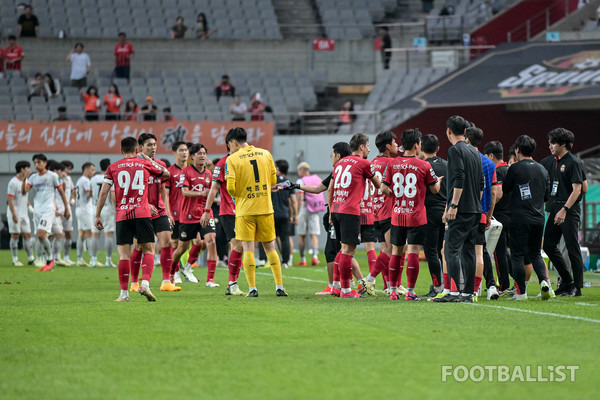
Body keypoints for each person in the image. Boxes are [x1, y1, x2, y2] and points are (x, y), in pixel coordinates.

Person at [95, 136, 170, 302]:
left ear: (121, 151)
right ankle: (144, 283)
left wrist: (97, 215)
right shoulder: (144, 164)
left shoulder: (113, 167)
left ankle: (123, 294)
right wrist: (149, 159)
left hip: (122, 214)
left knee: (124, 255)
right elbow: (166, 173)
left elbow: (104, 192)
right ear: (138, 150)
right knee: (149, 249)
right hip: (142, 213)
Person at [224, 127, 287, 297]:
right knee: (270, 248)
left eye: (230, 145)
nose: (230, 149)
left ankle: (252, 289)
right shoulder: (265, 154)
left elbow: (230, 187)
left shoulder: (232, 159)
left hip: (245, 210)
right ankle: (279, 287)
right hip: (265, 207)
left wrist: (241, 194)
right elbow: (273, 180)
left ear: (234, 142)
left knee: (248, 249)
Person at [380, 129, 440, 300]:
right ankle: (411, 293)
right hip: (416, 215)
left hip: (398, 214)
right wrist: (440, 182)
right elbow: (435, 189)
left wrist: (397, 196)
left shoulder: (392, 164)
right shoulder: (424, 165)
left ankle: (392, 290)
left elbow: (383, 188)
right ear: (416, 145)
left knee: (396, 252)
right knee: (413, 251)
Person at [434, 116, 484, 303]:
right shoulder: (475, 152)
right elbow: (481, 183)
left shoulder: (455, 150)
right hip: (474, 209)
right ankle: (468, 293)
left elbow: (459, 177)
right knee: (469, 251)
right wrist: (474, 204)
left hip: (460, 209)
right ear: (465, 131)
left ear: (448, 131)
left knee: (451, 250)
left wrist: (454, 205)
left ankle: (454, 292)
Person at [330, 133, 386, 298]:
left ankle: (337, 286)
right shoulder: (364, 163)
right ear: (361, 147)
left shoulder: (340, 162)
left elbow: (331, 187)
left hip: (336, 209)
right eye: (368, 146)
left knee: (343, 248)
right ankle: (346, 290)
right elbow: (377, 184)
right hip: (350, 210)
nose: (369, 149)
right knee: (349, 250)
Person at [503, 135, 552, 301]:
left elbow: (506, 188)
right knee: (536, 253)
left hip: (519, 218)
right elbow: (546, 196)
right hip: (539, 218)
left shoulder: (515, 168)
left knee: (517, 255)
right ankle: (545, 282)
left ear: (517, 150)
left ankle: (521, 292)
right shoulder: (542, 169)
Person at [129, 134, 178, 292]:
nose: (153, 147)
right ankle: (135, 283)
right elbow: (130, 190)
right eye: (149, 145)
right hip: (141, 210)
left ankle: (166, 281)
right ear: (140, 147)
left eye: (155, 144)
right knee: (139, 247)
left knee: (167, 242)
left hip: (160, 210)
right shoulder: (135, 165)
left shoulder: (160, 164)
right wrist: (144, 204)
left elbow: (164, 191)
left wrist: (168, 212)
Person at [542, 128, 585, 297]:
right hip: (555, 209)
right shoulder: (555, 162)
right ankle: (567, 280)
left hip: (568, 210)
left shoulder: (573, 162)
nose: (550, 146)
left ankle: (578, 287)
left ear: (563, 144)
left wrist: (565, 209)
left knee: (572, 247)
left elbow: (577, 189)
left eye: (553, 143)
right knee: (548, 245)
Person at [171, 144, 220, 287]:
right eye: (199, 153)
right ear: (192, 157)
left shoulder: (209, 174)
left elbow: (213, 192)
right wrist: (201, 193)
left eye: (204, 153)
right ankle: (173, 272)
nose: (203, 156)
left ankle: (210, 279)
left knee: (211, 241)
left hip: (205, 214)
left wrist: (208, 207)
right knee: (182, 248)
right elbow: (184, 192)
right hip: (188, 215)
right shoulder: (185, 172)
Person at [201, 145, 246, 296]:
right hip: (228, 211)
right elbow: (214, 188)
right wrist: (207, 211)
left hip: (246, 210)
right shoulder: (222, 164)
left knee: (243, 246)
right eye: (240, 144)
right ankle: (232, 284)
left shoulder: (244, 161)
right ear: (232, 144)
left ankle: (235, 284)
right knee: (237, 245)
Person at [465, 126, 499, 301]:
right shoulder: (489, 163)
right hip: (481, 213)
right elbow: (493, 193)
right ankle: (480, 288)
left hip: (465, 212)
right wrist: (489, 215)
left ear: (468, 140)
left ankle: (463, 288)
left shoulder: (464, 159)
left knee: (463, 251)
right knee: (480, 251)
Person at [21, 153, 70, 272]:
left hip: (48, 210)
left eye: (39, 162)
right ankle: (47, 258)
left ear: (45, 163)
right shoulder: (33, 178)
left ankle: (50, 259)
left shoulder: (52, 176)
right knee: (54, 234)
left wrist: (67, 208)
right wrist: (24, 178)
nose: (36, 165)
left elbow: (62, 192)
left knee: (41, 234)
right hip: (38, 211)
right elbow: (24, 192)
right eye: (35, 163)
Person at [419, 134, 447, 298]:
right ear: (437, 148)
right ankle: (447, 285)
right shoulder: (447, 165)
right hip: (446, 212)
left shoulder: (422, 166)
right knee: (444, 251)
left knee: (431, 251)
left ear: (421, 148)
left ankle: (437, 286)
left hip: (428, 212)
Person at [483, 140, 512, 294]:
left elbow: (498, 194)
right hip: (512, 214)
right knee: (510, 252)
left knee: (498, 252)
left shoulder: (498, 170)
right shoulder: (510, 169)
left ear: (491, 156)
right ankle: (517, 282)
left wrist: (488, 206)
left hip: (500, 215)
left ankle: (504, 284)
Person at [165, 142, 189, 285]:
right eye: (181, 150)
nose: (184, 153)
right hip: (175, 213)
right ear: (174, 152)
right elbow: (166, 195)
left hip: (190, 214)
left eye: (186, 150)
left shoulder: (192, 170)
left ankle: (186, 268)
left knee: (198, 241)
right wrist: (168, 213)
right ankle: (173, 273)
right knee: (174, 243)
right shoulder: (170, 172)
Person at [295, 162, 325, 266]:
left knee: (302, 235)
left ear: (302, 170)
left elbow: (299, 198)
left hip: (304, 208)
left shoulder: (301, 180)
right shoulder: (317, 178)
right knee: (314, 235)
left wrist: (296, 214)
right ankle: (315, 257)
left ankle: (303, 259)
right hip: (315, 209)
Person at [7, 161, 35, 266]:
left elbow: (24, 198)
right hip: (15, 213)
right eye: (27, 168)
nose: (29, 170)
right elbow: (10, 199)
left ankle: (31, 258)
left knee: (27, 234)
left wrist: (31, 209)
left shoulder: (26, 181)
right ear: (22, 169)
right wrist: (14, 214)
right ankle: (15, 259)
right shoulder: (13, 182)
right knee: (15, 235)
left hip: (24, 214)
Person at [90, 159, 117, 268]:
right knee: (108, 235)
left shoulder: (93, 179)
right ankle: (108, 260)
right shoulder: (110, 178)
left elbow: (91, 194)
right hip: (107, 208)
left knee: (94, 235)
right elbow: (113, 195)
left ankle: (93, 260)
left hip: (95, 208)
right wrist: (116, 208)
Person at [272, 160, 297, 269]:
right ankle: (285, 262)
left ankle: (268, 260)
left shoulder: (271, 181)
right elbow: (293, 201)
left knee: (269, 238)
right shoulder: (288, 182)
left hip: (271, 213)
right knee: (285, 238)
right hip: (284, 214)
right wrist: (294, 214)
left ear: (277, 168)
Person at [75, 162, 95, 266]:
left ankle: (79, 259)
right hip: (85, 210)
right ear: (86, 169)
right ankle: (92, 259)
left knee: (81, 234)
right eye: (92, 169)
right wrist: (97, 191)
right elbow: (90, 193)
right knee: (89, 234)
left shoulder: (79, 180)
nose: (93, 172)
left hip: (79, 209)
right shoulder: (86, 180)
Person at [60, 160, 76, 264]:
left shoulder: (69, 179)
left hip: (67, 209)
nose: (69, 171)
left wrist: (73, 200)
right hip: (58, 209)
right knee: (55, 234)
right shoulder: (57, 178)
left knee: (68, 233)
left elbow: (73, 191)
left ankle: (66, 257)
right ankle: (52, 257)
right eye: (68, 168)